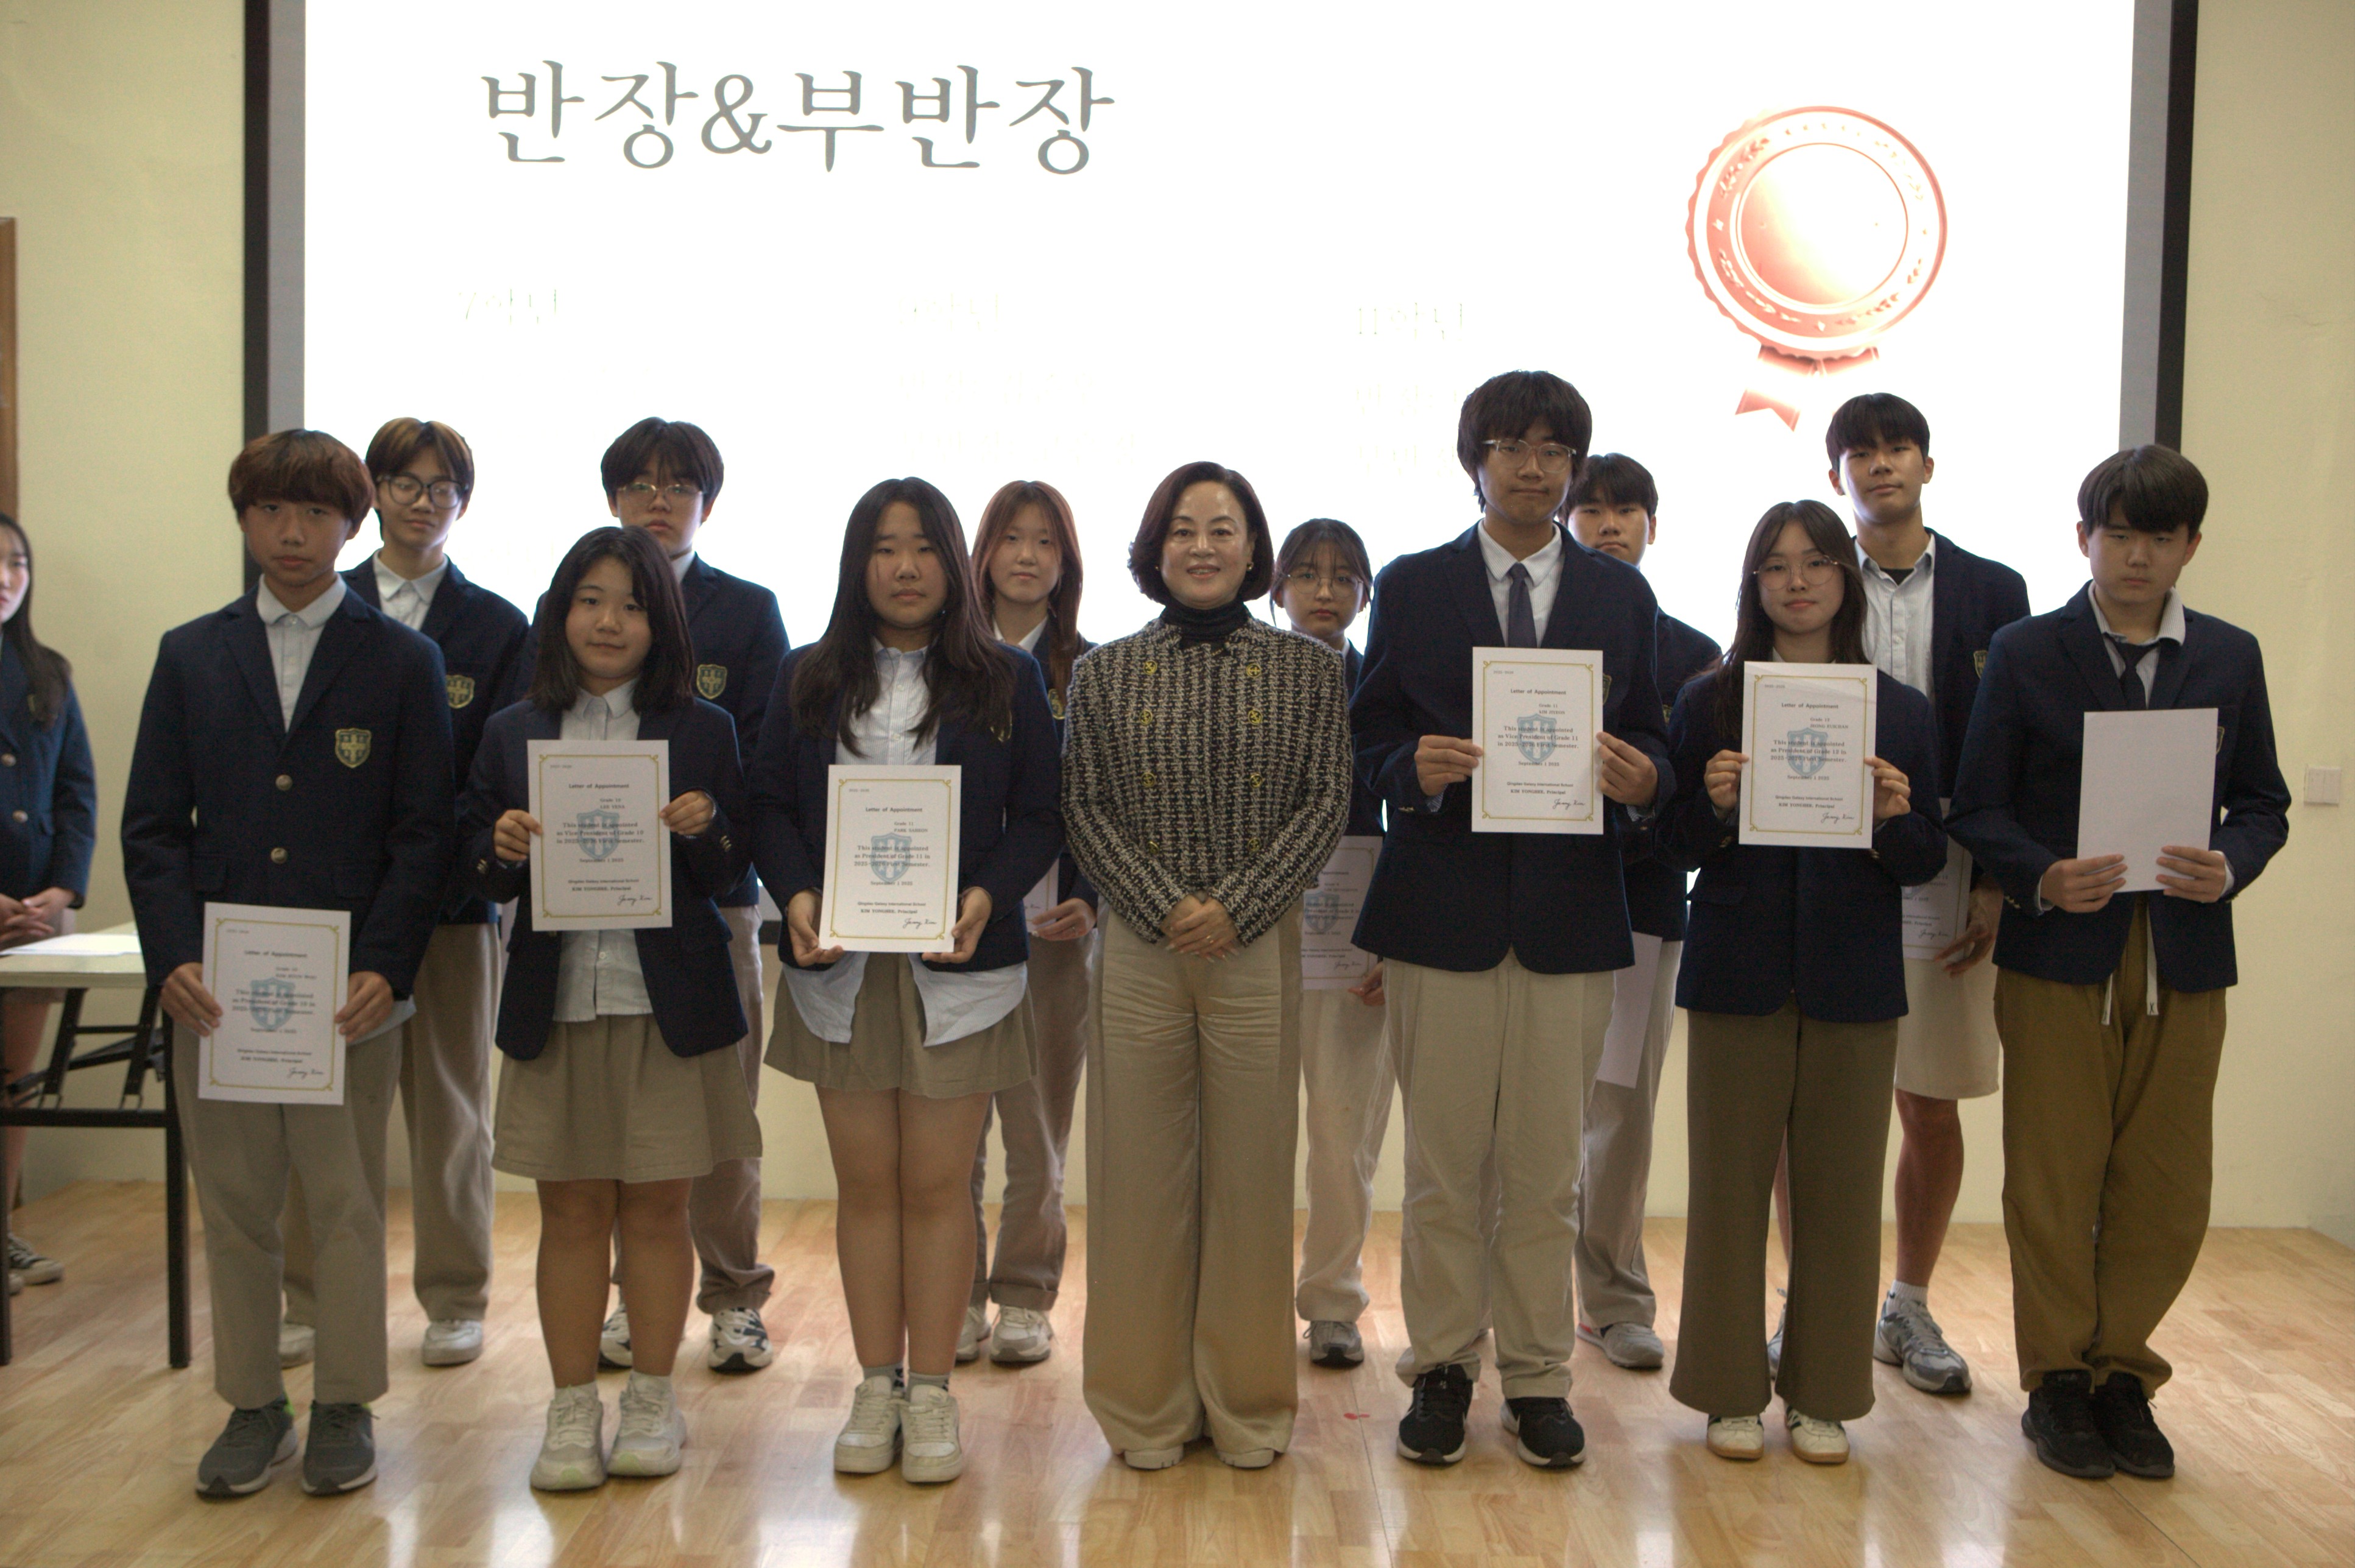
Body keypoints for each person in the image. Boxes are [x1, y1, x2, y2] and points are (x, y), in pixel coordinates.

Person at [122, 429, 453, 1497]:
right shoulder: (191, 653)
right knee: (234, 1203)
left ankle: (344, 1400)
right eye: (271, 510)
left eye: (315, 513)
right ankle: (252, 1403)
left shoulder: (401, 659)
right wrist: (173, 955)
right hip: (217, 991)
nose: (292, 533)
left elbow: (423, 833)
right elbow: (152, 828)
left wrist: (387, 964)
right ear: (244, 520)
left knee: (346, 1200)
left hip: (349, 992)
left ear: (353, 524)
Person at [1350, 372, 1672, 1469]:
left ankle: (1537, 1375)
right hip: (1439, 911)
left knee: (1544, 1170)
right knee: (1443, 1168)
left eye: (1552, 449)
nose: (1532, 467)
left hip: (1570, 916)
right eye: (1510, 446)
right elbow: (1366, 740)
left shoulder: (1621, 597)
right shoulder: (1413, 584)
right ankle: (1442, 1364)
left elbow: (1652, 737)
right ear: (1474, 459)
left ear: (1573, 466)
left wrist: (1645, 779)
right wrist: (1412, 769)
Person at [1948, 446, 2288, 1481]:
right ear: (2082, 538)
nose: (2137, 556)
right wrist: (2042, 876)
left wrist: (2228, 862)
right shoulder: (2025, 650)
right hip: (2060, 951)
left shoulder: (2228, 655)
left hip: (2182, 950)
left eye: (2159, 537)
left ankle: (2122, 1376)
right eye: (2119, 534)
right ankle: (2056, 1377)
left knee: (2167, 1180)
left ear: (2190, 546)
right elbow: (1977, 806)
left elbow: (2263, 803)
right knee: (2052, 1174)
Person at [755, 477, 1061, 1485]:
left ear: (951, 562)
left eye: (923, 546)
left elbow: (1041, 814)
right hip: (839, 971)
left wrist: (985, 895)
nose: (904, 566)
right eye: (884, 547)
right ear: (858, 563)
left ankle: (931, 1389)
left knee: (936, 1188)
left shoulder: (1007, 678)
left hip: (958, 970)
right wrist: (797, 893)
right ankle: (874, 1382)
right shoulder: (806, 675)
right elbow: (768, 806)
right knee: (867, 1188)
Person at [1062, 461, 1351, 1470]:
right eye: (1182, 529)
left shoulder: (1309, 670)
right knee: (1136, 1183)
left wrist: (1237, 904)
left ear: (1251, 548)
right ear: (1155, 547)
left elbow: (1326, 800)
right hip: (1141, 950)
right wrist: (1162, 905)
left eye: (1222, 529)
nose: (1201, 546)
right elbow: (1084, 806)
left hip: (1253, 944)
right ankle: (1142, 1406)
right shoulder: (1103, 672)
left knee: (1252, 1182)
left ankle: (1247, 1404)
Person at [461, 524, 760, 1491]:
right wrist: (501, 845)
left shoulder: (701, 730)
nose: (608, 621)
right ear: (560, 612)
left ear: (660, 622)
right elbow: (479, 871)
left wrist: (707, 827)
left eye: (632, 604)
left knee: (661, 1208)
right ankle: (569, 1407)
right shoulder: (514, 730)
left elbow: (733, 873)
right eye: (589, 599)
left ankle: (652, 1399)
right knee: (572, 1209)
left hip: (666, 1003)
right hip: (556, 1002)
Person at [1658, 500, 1946, 1467]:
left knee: (1841, 1196)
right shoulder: (1709, 700)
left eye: (1816, 562)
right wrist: (1710, 806)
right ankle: (1727, 1390)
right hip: (1735, 970)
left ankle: (1823, 1392)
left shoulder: (1899, 710)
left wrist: (1894, 817)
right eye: (1775, 565)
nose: (1796, 581)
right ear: (1753, 583)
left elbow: (1923, 856)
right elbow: (1670, 845)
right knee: (1726, 1193)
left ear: (1844, 578)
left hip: (1852, 977)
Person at [1761, 392, 2031, 1396]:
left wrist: (1994, 878)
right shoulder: (1813, 581)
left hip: (1946, 861)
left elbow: (2015, 741)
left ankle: (1907, 1302)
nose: (1880, 466)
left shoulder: (1994, 589)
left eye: (1897, 448)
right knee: (1808, 1103)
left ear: (1926, 463)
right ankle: (1805, 1302)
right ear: (1835, 475)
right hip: (1820, 859)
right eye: (1861, 453)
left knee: (1930, 1099)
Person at [277, 418, 529, 1371]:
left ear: (463, 502)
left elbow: (499, 769)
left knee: (453, 1113)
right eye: (404, 483)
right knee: (326, 1117)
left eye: (441, 487)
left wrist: (441, 866)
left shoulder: (497, 626)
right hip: (337, 912)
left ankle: (456, 1296)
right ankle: (311, 1296)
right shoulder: (321, 606)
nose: (423, 502)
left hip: (455, 908)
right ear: (372, 494)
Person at [598, 417, 786, 1377]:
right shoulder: (574, 606)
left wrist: (707, 812)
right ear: (612, 498)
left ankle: (734, 1297)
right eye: (640, 483)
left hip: (714, 900)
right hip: (597, 902)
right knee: (621, 1118)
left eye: (679, 485)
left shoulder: (748, 612)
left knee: (720, 1113)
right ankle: (636, 1298)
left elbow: (766, 763)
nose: (658, 501)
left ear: (707, 503)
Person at [1559, 456, 1721, 1372]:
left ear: (1653, 527)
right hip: (1531, 901)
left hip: (1643, 904)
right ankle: (1511, 1294)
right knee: (1517, 1112)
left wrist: (1648, 790)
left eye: (1627, 510)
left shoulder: (1694, 654)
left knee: (1618, 1112)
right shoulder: (1531, 632)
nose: (1609, 524)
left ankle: (1615, 1298)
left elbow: (1696, 803)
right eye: (1591, 509)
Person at [959, 479, 1095, 1366]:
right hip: (956, 931)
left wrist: (1092, 894)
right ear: (983, 554)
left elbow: (1111, 802)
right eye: (1011, 538)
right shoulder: (945, 663)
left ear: (1066, 563)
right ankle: (956, 1289)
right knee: (954, 1120)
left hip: (1055, 929)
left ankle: (1023, 1293)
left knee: (1039, 1124)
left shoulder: (1095, 667)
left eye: (1046, 542)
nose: (1026, 557)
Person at [1268, 517, 1391, 1372]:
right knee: (1250, 1132)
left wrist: (1392, 934)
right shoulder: (1245, 680)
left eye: (1344, 576)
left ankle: (1333, 1302)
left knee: (1344, 1137)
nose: (1324, 590)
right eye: (1307, 574)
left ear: (1364, 594)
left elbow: (1413, 817)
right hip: (1256, 930)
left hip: (1356, 939)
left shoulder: (1385, 685)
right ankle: (1243, 1299)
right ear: (1276, 588)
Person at [0, 513, 96, 1298]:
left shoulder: (48, 672)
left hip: (34, 917)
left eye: (18, 563)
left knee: (15, 1081)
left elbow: (77, 792)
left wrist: (61, 891)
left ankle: (2, 1231)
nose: (6, 577)